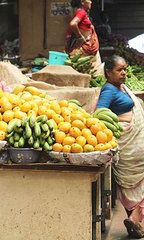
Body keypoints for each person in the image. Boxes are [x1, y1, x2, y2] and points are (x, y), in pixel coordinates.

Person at [96, 55, 144, 238]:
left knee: (135, 184)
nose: (124, 73)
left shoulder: (121, 87)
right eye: (119, 70)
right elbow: (99, 114)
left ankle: (134, 221)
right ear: (108, 72)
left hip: (135, 144)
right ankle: (134, 219)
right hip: (128, 144)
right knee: (130, 183)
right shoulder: (108, 89)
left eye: (125, 69)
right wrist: (122, 120)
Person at [65, 0, 102, 73]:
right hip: (85, 48)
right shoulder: (81, 12)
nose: (91, 2)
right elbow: (73, 24)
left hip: (88, 46)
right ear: (82, 2)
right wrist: (80, 37)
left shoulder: (82, 12)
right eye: (89, 0)